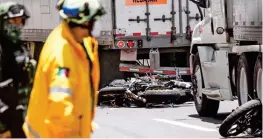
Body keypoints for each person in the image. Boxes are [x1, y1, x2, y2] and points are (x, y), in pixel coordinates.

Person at [23, 0, 106, 138]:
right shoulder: (62, 54)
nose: (94, 26)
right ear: (81, 23)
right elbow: (60, 104)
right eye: (92, 21)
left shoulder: (77, 42)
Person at [0, 1, 31, 138]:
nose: (18, 25)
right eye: (14, 20)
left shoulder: (20, 49)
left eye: (20, 21)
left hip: (22, 121)